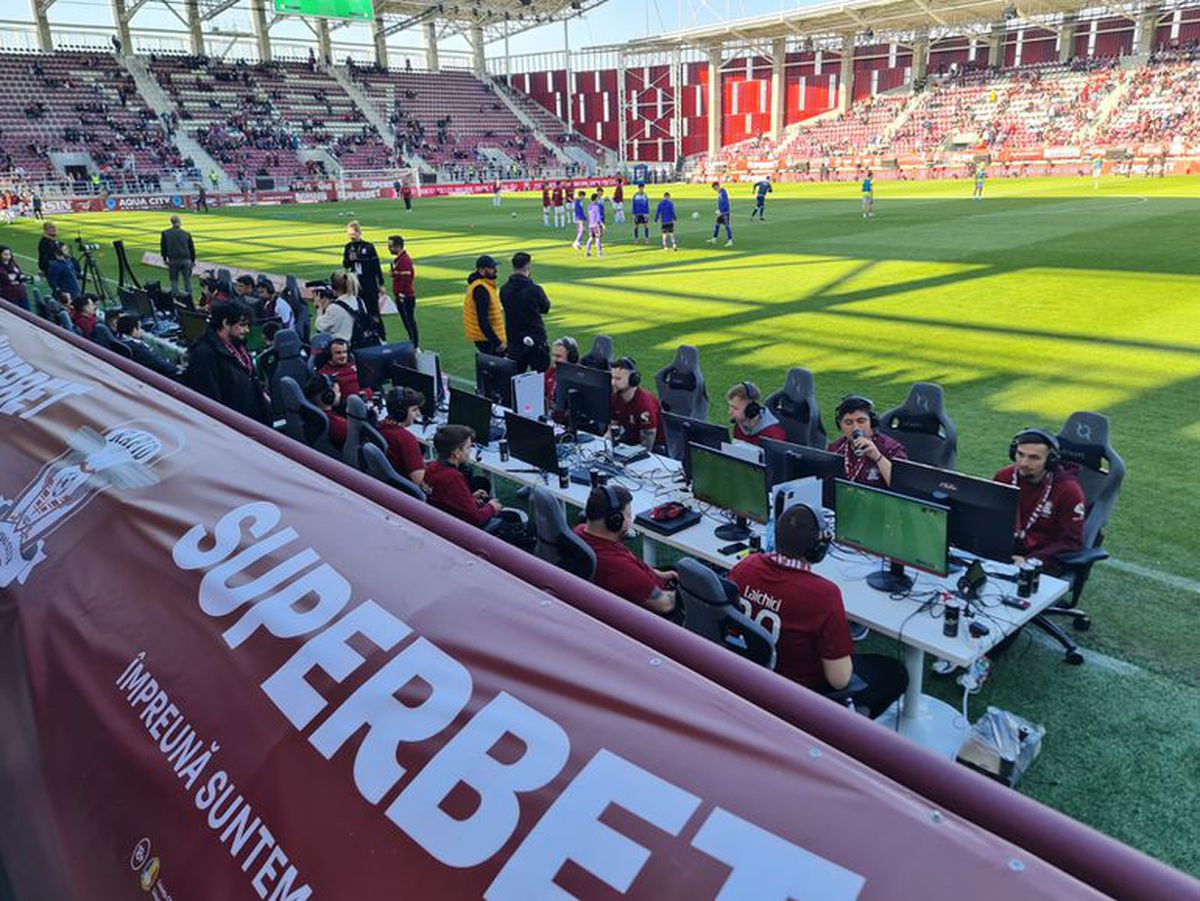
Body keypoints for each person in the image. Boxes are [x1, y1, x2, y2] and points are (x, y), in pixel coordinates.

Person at [728, 503, 908, 718]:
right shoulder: (823, 595)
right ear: (818, 549)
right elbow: (839, 679)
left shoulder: (745, 566)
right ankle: (847, 724)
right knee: (894, 671)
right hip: (798, 698)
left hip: (749, 678)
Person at [574, 484, 677, 615]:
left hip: (638, 587)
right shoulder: (618, 567)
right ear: (615, 521)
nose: (630, 520)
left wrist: (658, 574)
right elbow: (665, 605)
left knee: (676, 570)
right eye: (628, 515)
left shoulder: (581, 531)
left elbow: (633, 571)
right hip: (651, 615)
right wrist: (683, 592)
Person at [993, 429, 1085, 575]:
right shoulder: (1004, 476)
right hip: (1004, 551)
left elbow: (1071, 543)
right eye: (1020, 454)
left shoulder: (1069, 491)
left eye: (1034, 458)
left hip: (1042, 560)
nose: (1023, 463)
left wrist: (1030, 560)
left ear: (1051, 460)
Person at [184, 300, 270, 424]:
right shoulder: (204, 355)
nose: (247, 330)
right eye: (242, 325)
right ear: (225, 323)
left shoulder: (238, 346)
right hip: (234, 429)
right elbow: (209, 402)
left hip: (252, 423)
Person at [424, 424, 504, 526]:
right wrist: (491, 507)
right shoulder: (452, 477)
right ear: (457, 452)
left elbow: (447, 501)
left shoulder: (432, 467)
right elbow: (476, 519)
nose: (470, 451)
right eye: (468, 447)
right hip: (457, 528)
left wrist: (470, 498)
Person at [827, 395, 907, 487]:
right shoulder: (835, 448)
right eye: (848, 423)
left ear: (871, 422)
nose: (855, 428)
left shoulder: (890, 448)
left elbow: (901, 486)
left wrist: (878, 457)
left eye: (861, 421)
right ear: (840, 425)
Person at [499, 251, 550, 373]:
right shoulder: (534, 289)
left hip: (514, 339)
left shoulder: (504, 289)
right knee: (540, 375)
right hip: (535, 337)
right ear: (528, 266)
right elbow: (545, 307)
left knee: (516, 377)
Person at [377, 386, 428, 488]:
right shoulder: (406, 439)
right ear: (401, 413)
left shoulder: (379, 426)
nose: (418, 414)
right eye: (414, 410)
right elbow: (419, 480)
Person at [610, 357, 664, 450]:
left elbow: (647, 444)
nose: (613, 383)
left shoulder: (645, 405)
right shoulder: (615, 397)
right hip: (631, 440)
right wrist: (607, 441)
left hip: (655, 449)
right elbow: (613, 424)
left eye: (618, 379)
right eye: (612, 378)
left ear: (633, 380)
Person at [342, 220, 386, 336]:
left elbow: (376, 266)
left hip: (369, 283)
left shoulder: (369, 246)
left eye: (353, 234)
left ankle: (381, 336)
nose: (351, 237)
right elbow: (345, 265)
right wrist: (350, 260)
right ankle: (366, 335)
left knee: (374, 311)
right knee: (359, 311)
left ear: (359, 233)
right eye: (349, 234)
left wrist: (381, 283)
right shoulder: (348, 247)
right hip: (355, 285)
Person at [462, 254, 506, 355]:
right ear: (482, 270)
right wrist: (497, 343)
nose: (495, 270)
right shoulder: (481, 289)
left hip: (485, 338)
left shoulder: (482, 285)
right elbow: (483, 320)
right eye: (491, 268)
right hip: (487, 340)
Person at [115, 313, 180, 379]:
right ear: (134, 330)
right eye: (140, 328)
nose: (142, 331)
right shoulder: (138, 348)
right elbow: (160, 364)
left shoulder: (119, 340)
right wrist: (178, 368)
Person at [388, 235, 418, 346]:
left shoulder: (404, 260)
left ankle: (415, 345)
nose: (389, 248)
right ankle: (412, 342)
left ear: (398, 246)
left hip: (405, 296)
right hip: (403, 296)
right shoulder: (400, 259)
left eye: (390, 246)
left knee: (409, 322)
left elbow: (407, 279)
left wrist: (401, 295)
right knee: (407, 322)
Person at [304, 374, 346, 449]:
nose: (340, 394)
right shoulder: (336, 424)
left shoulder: (312, 416)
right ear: (329, 395)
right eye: (338, 391)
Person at [315, 272, 357, 344]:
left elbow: (320, 327)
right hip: (357, 343)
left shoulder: (334, 308)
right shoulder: (358, 301)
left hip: (341, 346)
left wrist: (319, 307)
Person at [160, 214, 195, 297]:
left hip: (173, 260)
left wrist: (164, 258)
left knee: (174, 281)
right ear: (179, 222)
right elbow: (191, 248)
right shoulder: (186, 233)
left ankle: (175, 299)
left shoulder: (165, 233)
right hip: (185, 259)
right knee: (187, 281)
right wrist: (192, 260)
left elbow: (163, 247)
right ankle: (189, 299)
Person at [544, 335, 578, 417]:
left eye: (558, 356)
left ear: (571, 358)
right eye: (553, 355)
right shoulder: (551, 372)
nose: (554, 359)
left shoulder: (578, 378)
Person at [0, 246, 29, 310]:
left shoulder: (13, 264)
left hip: (21, 293)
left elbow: (20, 274)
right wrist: (16, 278)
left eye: (9, 254)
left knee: (26, 310)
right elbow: (6, 279)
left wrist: (19, 278)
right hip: (9, 295)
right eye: (5, 254)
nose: (8, 256)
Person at [708, 181, 733, 246]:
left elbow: (725, 203)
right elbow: (721, 203)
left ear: (716, 186)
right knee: (717, 225)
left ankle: (730, 241)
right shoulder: (720, 192)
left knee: (727, 226)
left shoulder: (723, 193)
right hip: (721, 213)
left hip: (724, 213)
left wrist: (721, 211)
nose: (714, 190)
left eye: (714, 188)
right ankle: (714, 239)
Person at [585, 192, 604, 257]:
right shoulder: (596, 207)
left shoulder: (589, 206)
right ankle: (599, 252)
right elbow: (598, 217)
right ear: (595, 199)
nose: (598, 200)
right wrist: (602, 224)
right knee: (598, 237)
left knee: (590, 238)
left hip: (590, 225)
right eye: (597, 199)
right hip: (596, 225)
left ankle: (587, 251)